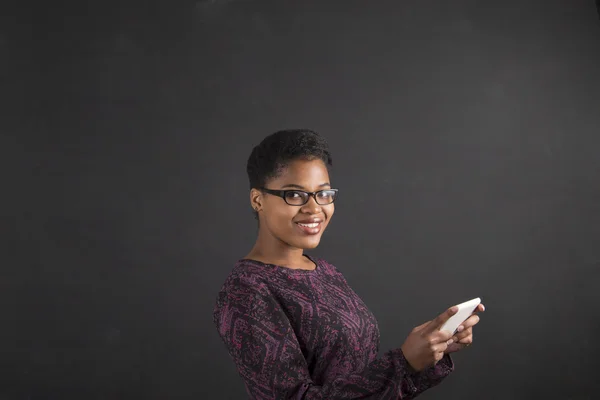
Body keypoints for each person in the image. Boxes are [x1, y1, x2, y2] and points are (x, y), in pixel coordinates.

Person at [213, 129, 485, 399]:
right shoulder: (246, 291)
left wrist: (431, 351)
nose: (314, 208)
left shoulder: (326, 272)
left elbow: (363, 384)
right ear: (258, 199)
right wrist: (404, 362)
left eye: (323, 193)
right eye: (294, 195)